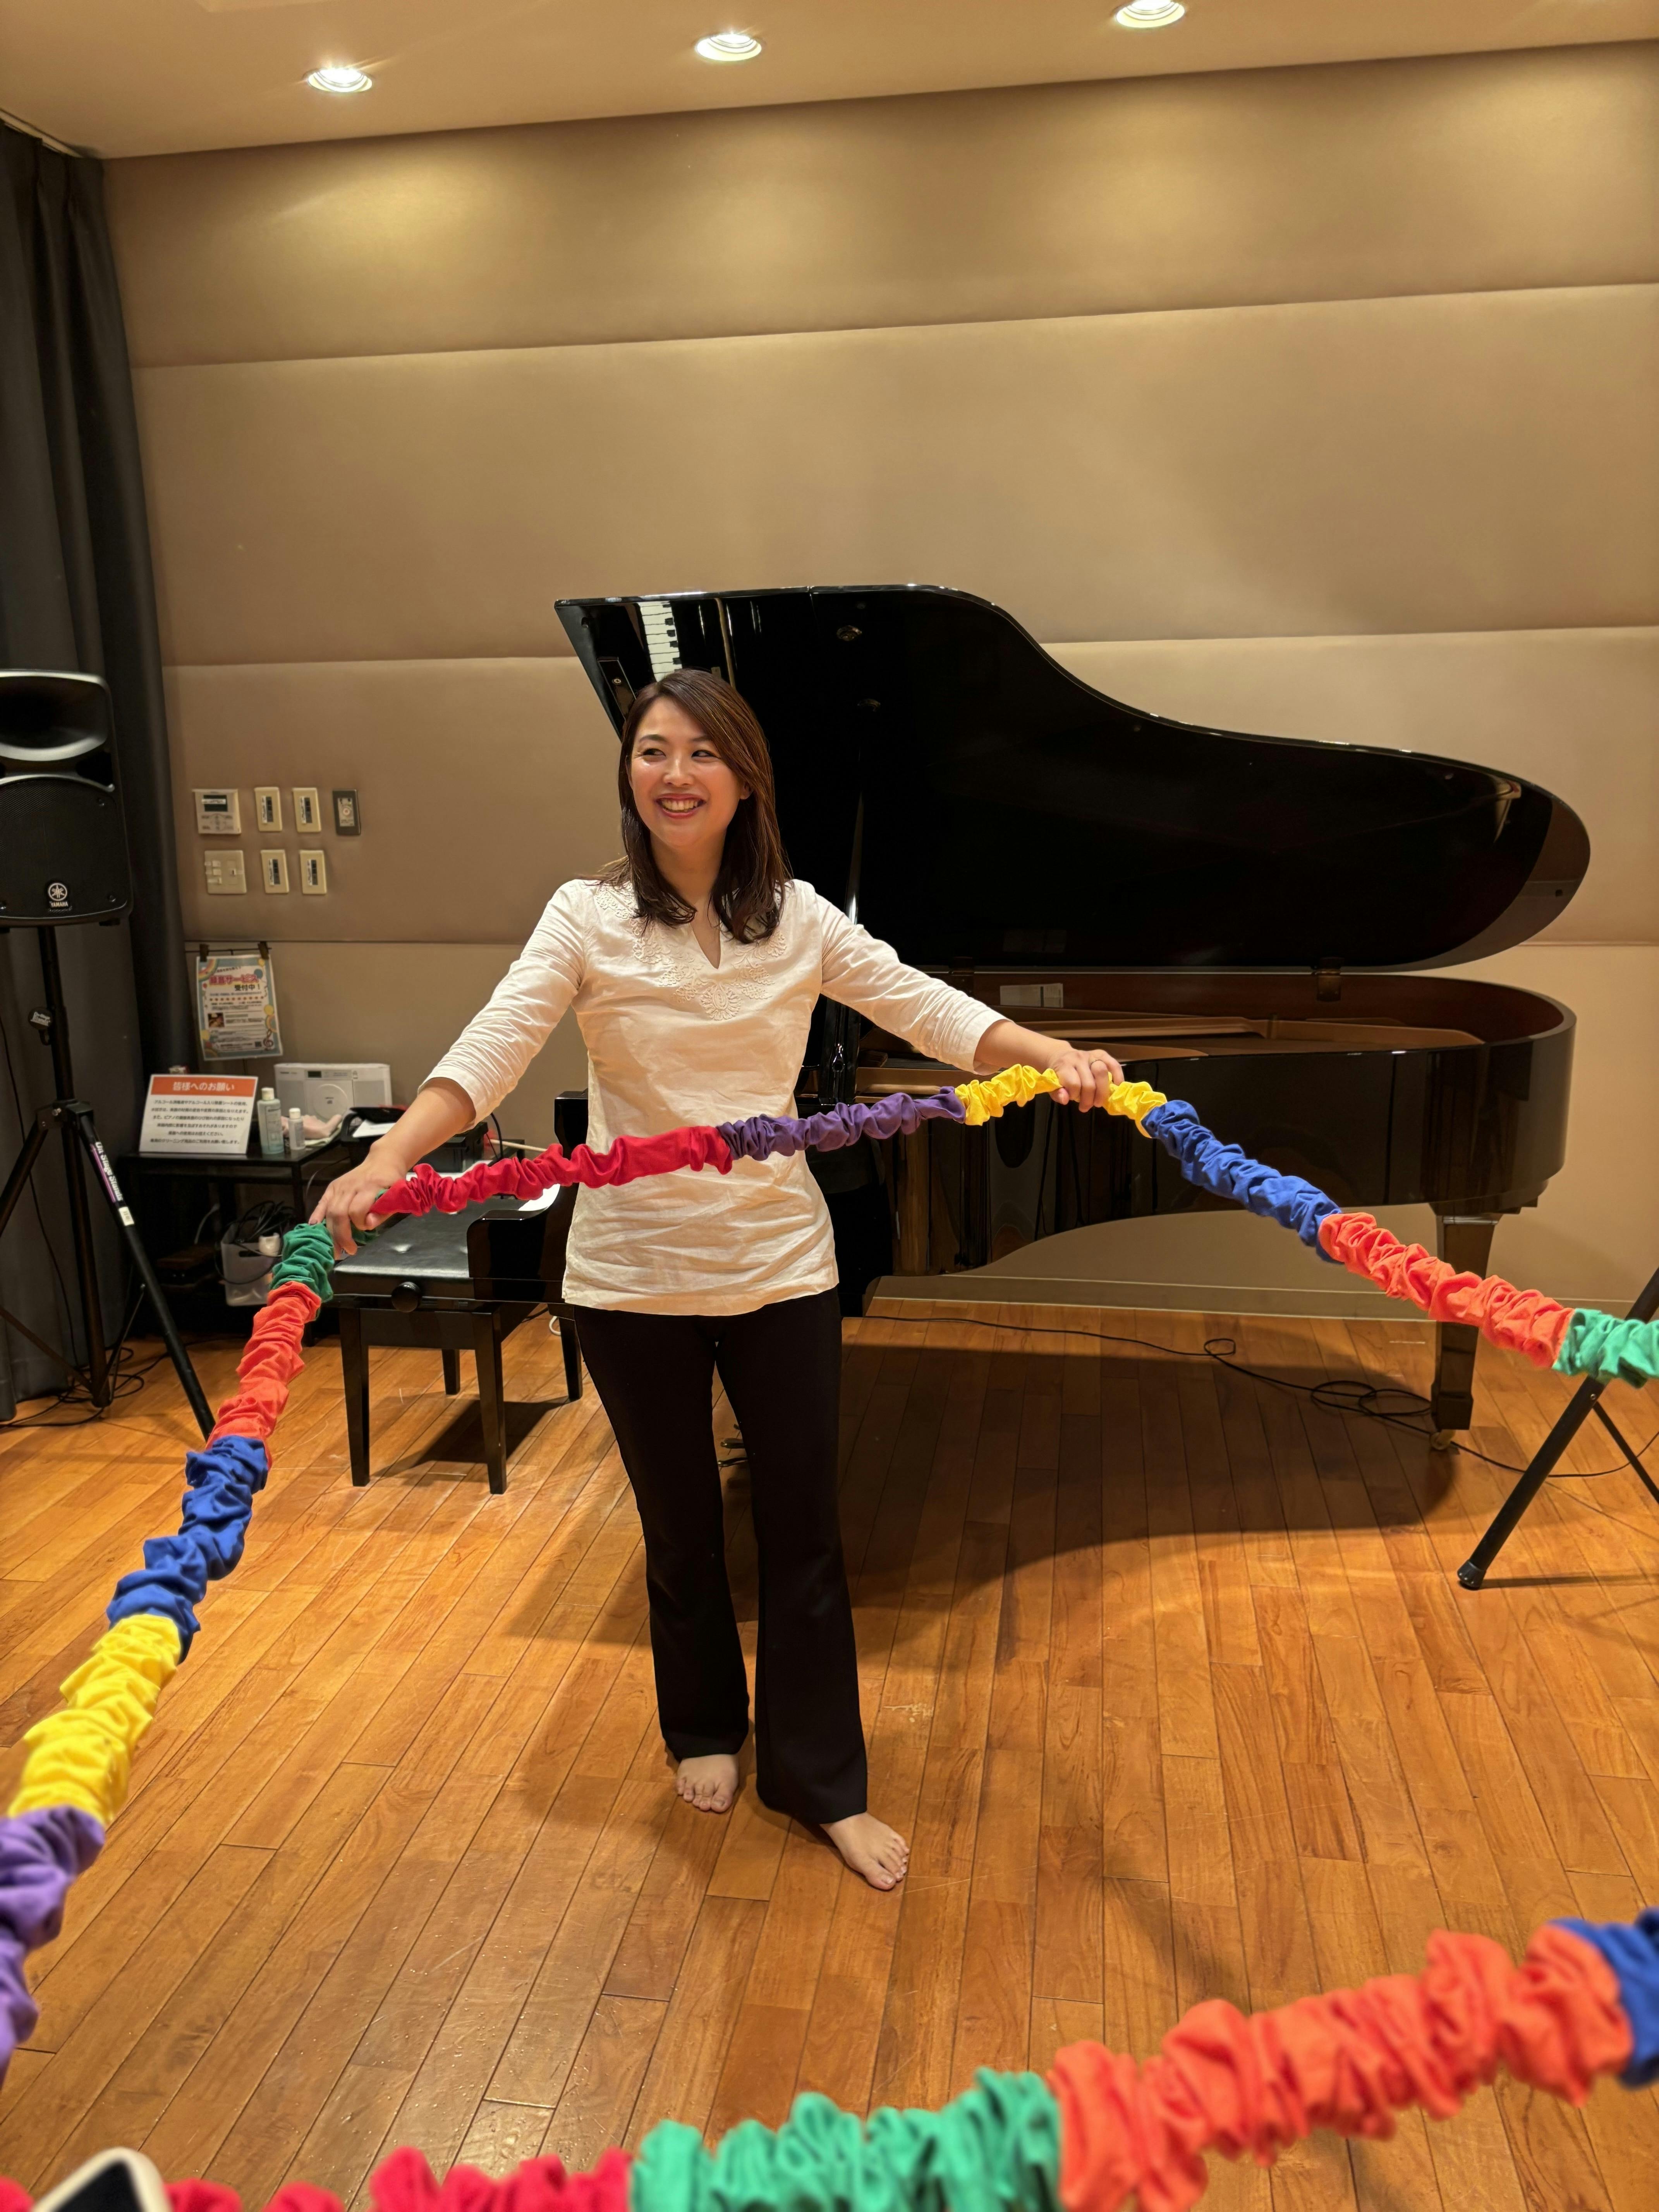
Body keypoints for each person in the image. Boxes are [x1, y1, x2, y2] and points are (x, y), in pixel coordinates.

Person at [313, 670, 1123, 1890]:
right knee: (679, 1527)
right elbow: (493, 1047)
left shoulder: (798, 918)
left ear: (745, 780)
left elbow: (925, 1007)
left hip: (777, 1267)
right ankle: (701, 1726)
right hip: (628, 1278)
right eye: (652, 750)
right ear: (628, 773)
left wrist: (1053, 1053)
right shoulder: (585, 915)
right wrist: (389, 1158)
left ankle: (821, 1780)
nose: (674, 774)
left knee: (805, 1534)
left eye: (701, 752)